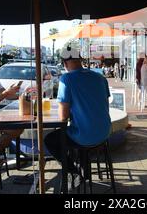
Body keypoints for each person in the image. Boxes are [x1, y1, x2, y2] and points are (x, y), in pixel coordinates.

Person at [44, 44, 111, 180]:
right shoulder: (100, 78)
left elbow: (63, 117)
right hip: (105, 132)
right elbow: (102, 105)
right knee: (79, 131)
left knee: (50, 140)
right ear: (80, 59)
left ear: (64, 63)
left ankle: (73, 172)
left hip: (85, 136)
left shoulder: (67, 79)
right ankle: (83, 173)